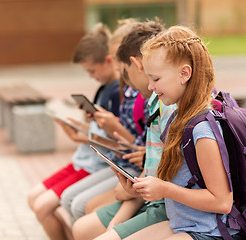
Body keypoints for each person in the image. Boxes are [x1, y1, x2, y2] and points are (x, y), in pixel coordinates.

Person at [120, 26, 242, 240]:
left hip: (210, 232)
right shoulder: (177, 118)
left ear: (184, 74)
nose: (150, 86)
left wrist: (164, 189)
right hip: (186, 225)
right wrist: (141, 187)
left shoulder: (202, 130)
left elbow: (222, 202)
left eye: (156, 79)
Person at [71, 19, 177, 240]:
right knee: (82, 222)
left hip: (168, 206)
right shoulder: (154, 102)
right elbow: (149, 165)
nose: (125, 80)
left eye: (123, 70)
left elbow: (218, 200)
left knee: (84, 213)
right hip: (146, 192)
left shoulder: (169, 107)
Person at [26, 23, 129, 240]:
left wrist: (79, 135)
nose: (91, 76)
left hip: (96, 164)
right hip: (83, 161)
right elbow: (104, 129)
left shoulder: (117, 92)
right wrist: (83, 126)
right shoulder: (105, 88)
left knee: (51, 205)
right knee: (35, 198)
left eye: (91, 70)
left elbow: (117, 140)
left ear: (110, 61)